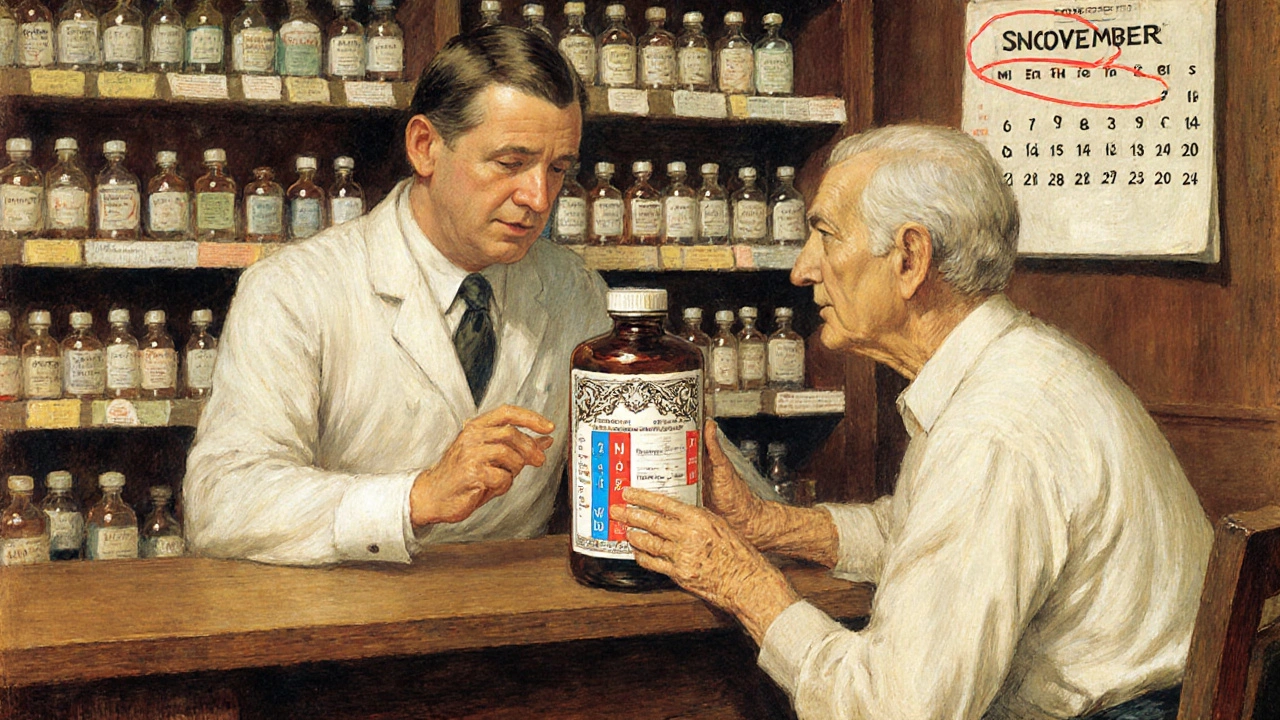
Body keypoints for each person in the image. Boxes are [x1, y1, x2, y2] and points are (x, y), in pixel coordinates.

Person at [612, 125, 1213, 720]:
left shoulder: (993, 429)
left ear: (909, 257)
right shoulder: (1013, 364)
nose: (802, 270)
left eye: (824, 235)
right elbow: (922, 534)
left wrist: (738, 579)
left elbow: (896, 709)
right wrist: (771, 526)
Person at [183, 26, 611, 566]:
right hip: (344, 614)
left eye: (557, 169)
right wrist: (416, 498)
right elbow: (221, 502)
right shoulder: (294, 289)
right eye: (509, 163)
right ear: (425, 147)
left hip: (514, 611)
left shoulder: (575, 291)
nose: (538, 197)